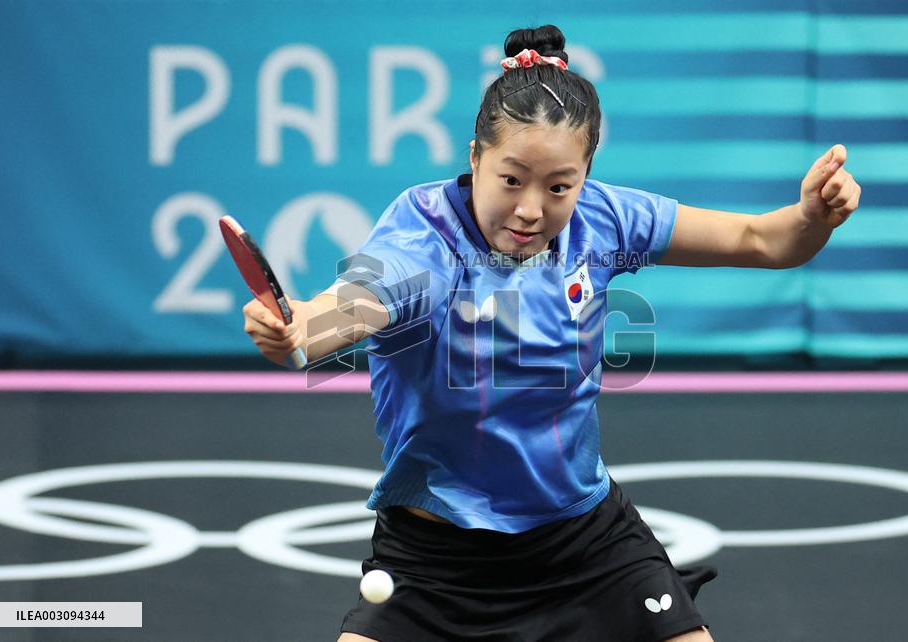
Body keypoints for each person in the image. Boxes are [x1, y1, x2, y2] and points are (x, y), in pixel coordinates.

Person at [242, 25, 860, 642]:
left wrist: (811, 216)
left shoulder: (604, 219)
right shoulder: (423, 237)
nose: (532, 209)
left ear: (585, 175)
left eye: (559, 186)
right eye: (511, 179)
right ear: (476, 157)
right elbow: (360, 302)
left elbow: (762, 240)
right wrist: (299, 327)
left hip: (583, 539)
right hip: (437, 555)